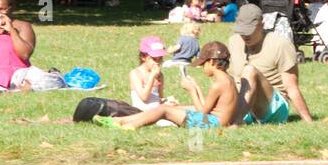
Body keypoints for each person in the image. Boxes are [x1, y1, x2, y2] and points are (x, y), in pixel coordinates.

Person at [97, 42, 240, 130]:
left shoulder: (217, 85)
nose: (203, 68)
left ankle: (127, 125)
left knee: (164, 109)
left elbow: (203, 113)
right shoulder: (228, 79)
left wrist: (191, 91)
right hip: (216, 121)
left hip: (210, 124)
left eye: (203, 64)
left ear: (212, 62)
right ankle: (119, 120)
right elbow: (209, 107)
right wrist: (196, 88)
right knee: (177, 108)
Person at [228, 4, 313, 122]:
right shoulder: (234, 41)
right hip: (241, 101)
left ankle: (236, 121)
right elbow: (231, 79)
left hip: (273, 108)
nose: (245, 35)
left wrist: (308, 120)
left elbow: (291, 87)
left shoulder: (280, 44)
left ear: (261, 26)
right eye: (242, 31)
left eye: (249, 30)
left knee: (249, 70)